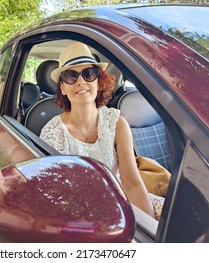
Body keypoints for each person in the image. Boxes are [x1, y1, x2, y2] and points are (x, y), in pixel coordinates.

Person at [40, 41, 164, 220]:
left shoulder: (117, 123)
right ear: (63, 88)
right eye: (71, 76)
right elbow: (58, 199)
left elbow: (132, 184)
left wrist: (149, 228)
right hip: (82, 214)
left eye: (89, 74)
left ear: (98, 83)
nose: (81, 81)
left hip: (123, 197)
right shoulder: (52, 134)